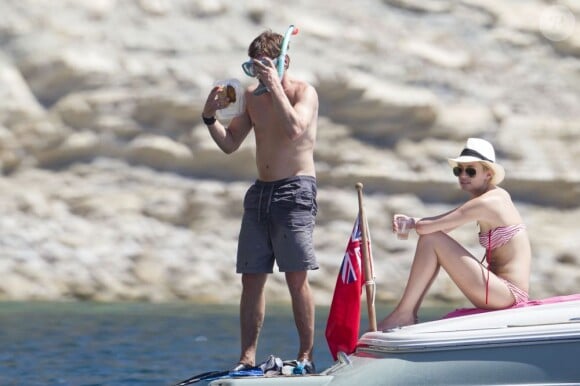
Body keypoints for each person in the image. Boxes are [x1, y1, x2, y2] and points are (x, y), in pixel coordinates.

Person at [201, 29, 319, 373]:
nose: (257, 76)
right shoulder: (252, 97)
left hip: (295, 190)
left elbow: (295, 128)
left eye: (263, 67)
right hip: (261, 193)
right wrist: (210, 117)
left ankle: (306, 356)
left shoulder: (303, 92)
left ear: (284, 62)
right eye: (252, 69)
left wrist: (277, 86)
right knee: (251, 278)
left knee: (296, 277)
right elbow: (230, 143)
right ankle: (246, 358)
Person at [378, 138, 531, 331]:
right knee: (431, 239)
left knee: (431, 239)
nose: (463, 175)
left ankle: (404, 314)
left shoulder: (488, 202)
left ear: (488, 173)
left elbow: (430, 229)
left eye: (470, 170)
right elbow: (440, 226)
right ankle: (407, 314)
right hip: (498, 291)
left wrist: (412, 223)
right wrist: (414, 222)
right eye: (458, 170)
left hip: (507, 294)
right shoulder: (495, 196)